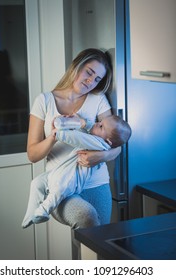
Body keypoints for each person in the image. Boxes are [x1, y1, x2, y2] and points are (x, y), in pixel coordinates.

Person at [26, 48, 121, 231]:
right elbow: (32, 154)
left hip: (97, 184)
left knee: (99, 247)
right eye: (89, 72)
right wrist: (54, 136)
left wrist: (99, 157)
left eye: (97, 79)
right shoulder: (44, 101)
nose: (90, 81)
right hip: (59, 185)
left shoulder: (98, 99)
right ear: (76, 66)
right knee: (86, 217)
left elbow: (117, 146)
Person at [22, 114, 131, 228]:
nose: (97, 124)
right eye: (100, 122)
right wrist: (83, 122)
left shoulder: (99, 143)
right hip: (59, 171)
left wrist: (59, 133)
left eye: (101, 126)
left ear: (108, 141)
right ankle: (30, 214)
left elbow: (77, 138)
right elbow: (92, 127)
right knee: (37, 182)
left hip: (71, 179)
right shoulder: (98, 138)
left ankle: (42, 211)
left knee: (57, 191)